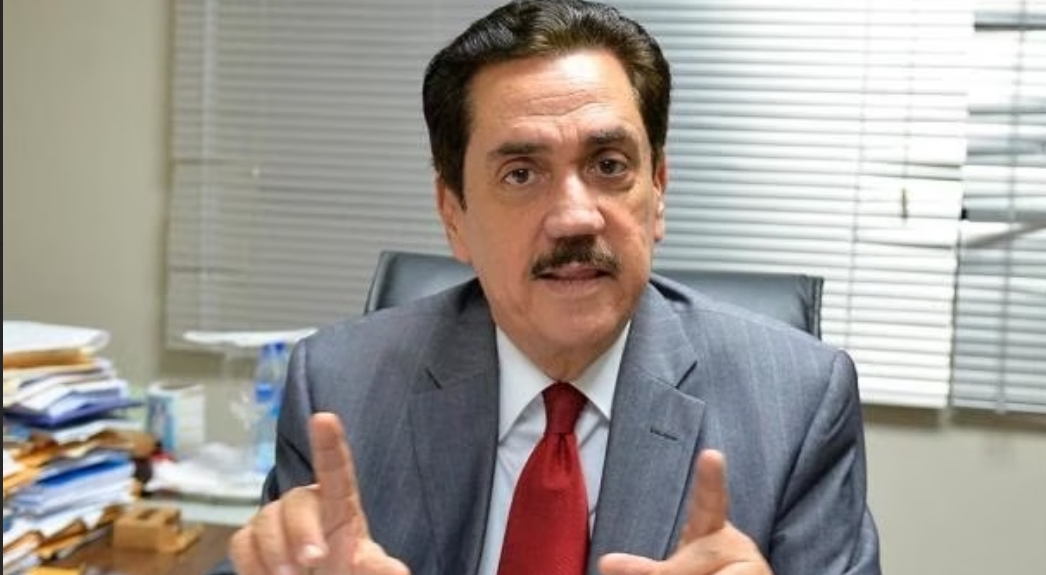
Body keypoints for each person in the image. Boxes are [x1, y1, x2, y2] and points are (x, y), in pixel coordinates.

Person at [222, 1, 881, 574]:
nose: (574, 216)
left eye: (609, 165)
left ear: (657, 191)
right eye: (521, 173)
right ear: (454, 214)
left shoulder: (795, 405)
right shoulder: (341, 387)